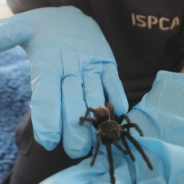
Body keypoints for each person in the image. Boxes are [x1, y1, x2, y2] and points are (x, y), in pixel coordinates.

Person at [1, 0, 184, 183]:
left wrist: (178, 93)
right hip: (76, 79)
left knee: (144, 155)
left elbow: (131, 127)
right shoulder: (100, 124)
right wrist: (45, 13)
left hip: (156, 88)